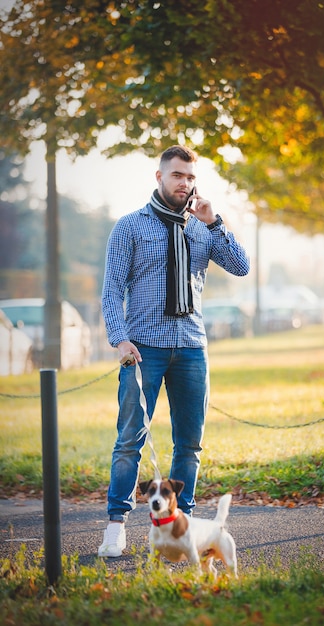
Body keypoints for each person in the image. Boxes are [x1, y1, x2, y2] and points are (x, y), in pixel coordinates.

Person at [98, 145, 250, 557]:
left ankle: (181, 527)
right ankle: (116, 525)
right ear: (160, 177)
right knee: (129, 439)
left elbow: (241, 267)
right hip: (143, 348)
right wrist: (119, 337)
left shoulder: (202, 228)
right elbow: (112, 288)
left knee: (190, 445)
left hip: (191, 349)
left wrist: (215, 222)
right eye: (177, 175)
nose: (184, 183)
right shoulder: (129, 227)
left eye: (189, 177)